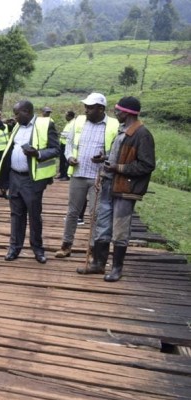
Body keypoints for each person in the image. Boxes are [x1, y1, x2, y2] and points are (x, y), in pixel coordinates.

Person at [77, 96, 155, 282]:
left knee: (120, 230)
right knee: (102, 226)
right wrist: (105, 158)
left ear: (127, 113)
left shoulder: (142, 134)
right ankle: (98, 264)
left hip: (125, 189)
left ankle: (117, 269)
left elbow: (147, 165)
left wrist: (117, 168)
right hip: (108, 186)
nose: (115, 113)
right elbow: (120, 156)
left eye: (118, 111)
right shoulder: (122, 131)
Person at [56, 93, 119, 258]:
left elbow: (118, 151)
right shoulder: (79, 121)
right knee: (72, 212)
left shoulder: (113, 125)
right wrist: (69, 157)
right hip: (78, 174)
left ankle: (92, 250)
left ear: (101, 109)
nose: (86, 110)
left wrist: (105, 157)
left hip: (99, 177)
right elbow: (69, 144)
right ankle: (66, 245)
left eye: (90, 108)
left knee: (96, 214)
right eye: (86, 107)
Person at [0, 100, 60, 264]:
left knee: (34, 215)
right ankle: (14, 248)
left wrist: (37, 154)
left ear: (26, 111)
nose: (15, 117)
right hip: (15, 177)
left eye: (17, 113)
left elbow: (56, 149)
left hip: (32, 179)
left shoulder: (44, 125)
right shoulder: (17, 126)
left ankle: (37, 249)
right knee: (16, 214)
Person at [56, 110, 75, 181]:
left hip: (67, 145)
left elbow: (71, 134)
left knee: (66, 161)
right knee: (62, 160)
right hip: (63, 143)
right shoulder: (69, 123)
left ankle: (66, 176)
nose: (65, 117)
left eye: (66, 115)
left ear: (70, 116)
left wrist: (63, 134)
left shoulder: (73, 123)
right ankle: (61, 174)